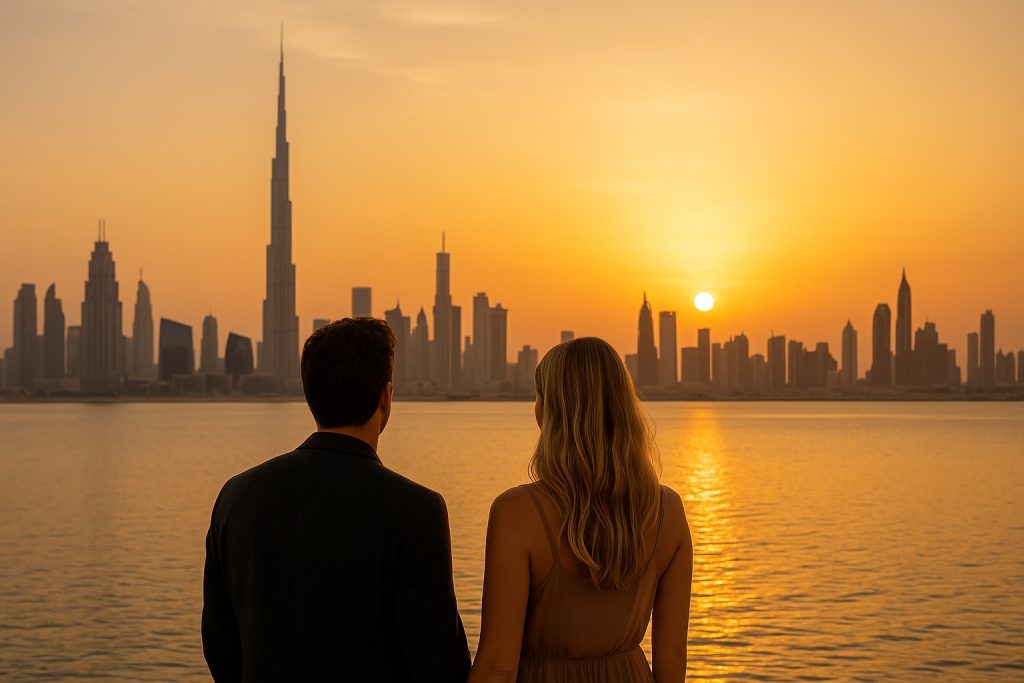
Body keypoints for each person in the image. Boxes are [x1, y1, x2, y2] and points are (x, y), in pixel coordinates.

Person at [202, 318, 470, 682]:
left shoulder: (236, 496)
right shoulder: (415, 510)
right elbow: (438, 664)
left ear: (310, 394)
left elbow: (219, 643)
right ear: (386, 396)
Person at [468, 337, 693, 682]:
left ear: (554, 411)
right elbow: (672, 656)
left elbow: (498, 665)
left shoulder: (517, 513)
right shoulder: (667, 511)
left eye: (538, 395)